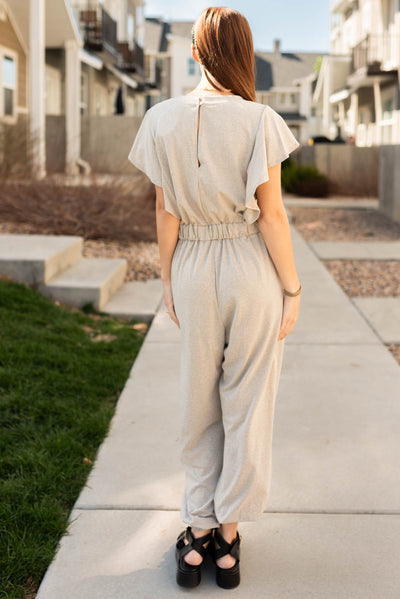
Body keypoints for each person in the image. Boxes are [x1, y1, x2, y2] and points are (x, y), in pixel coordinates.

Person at [128, 6, 302, 590]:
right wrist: (292, 287)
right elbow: (272, 215)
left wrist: (168, 277)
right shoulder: (261, 119)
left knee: (196, 398)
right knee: (248, 401)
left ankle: (196, 535)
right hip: (251, 266)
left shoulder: (158, 118)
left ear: (197, 53)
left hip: (195, 265)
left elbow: (164, 210)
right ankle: (228, 537)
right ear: (244, 53)